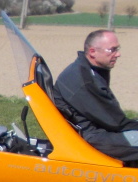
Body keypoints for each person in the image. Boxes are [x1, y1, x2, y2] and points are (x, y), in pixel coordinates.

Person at [53, 29, 138, 163]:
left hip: (100, 131)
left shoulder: (88, 70)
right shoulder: (85, 81)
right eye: (112, 50)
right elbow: (116, 123)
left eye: (117, 49)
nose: (118, 54)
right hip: (95, 137)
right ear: (92, 52)